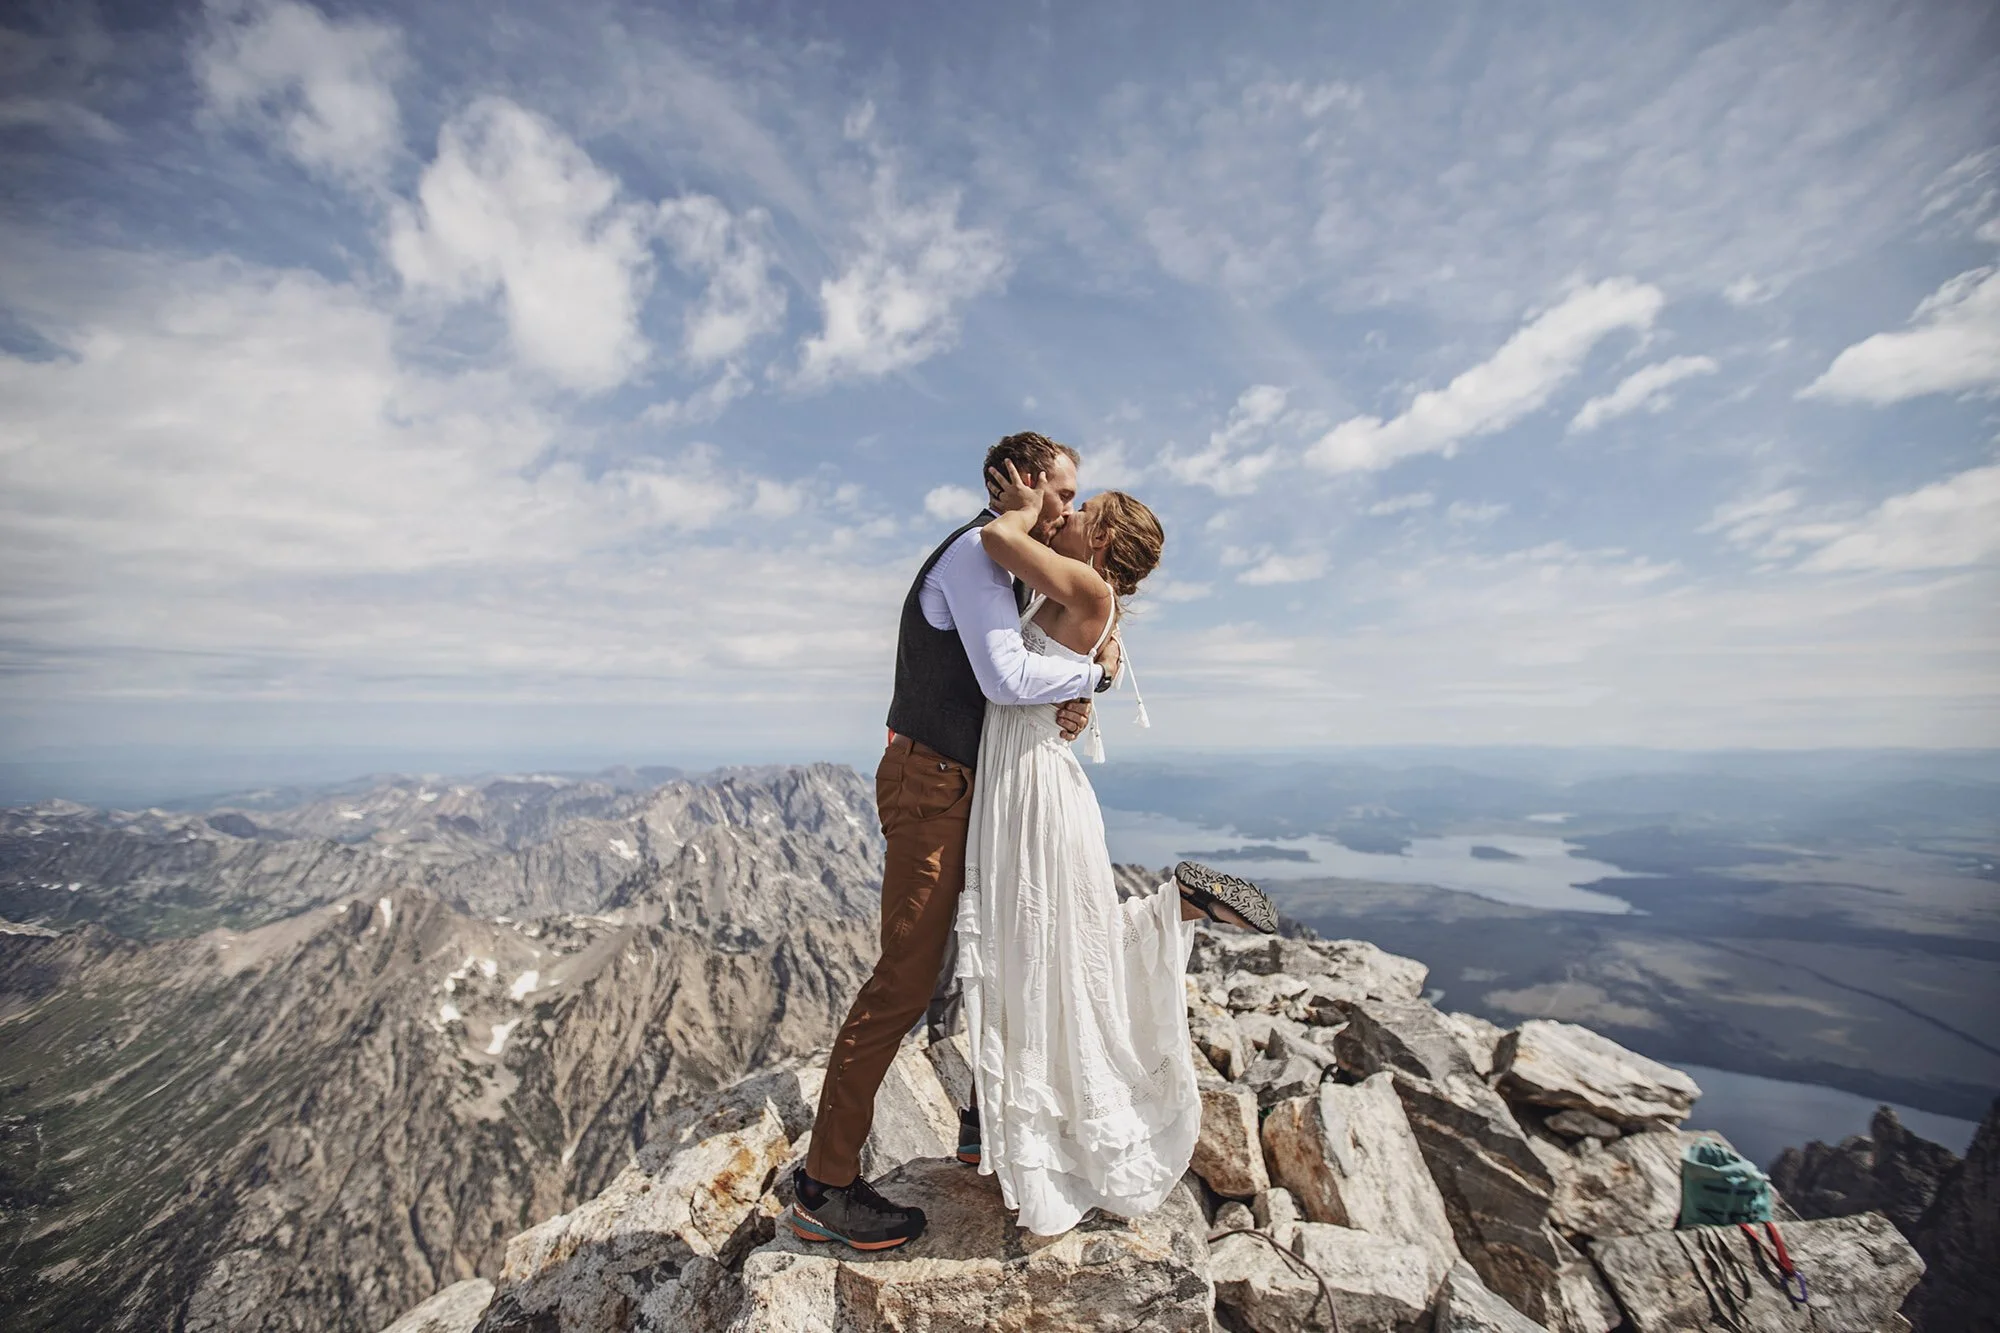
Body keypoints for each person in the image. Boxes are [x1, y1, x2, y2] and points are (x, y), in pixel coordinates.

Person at [786, 432, 1116, 1251]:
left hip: (969, 788)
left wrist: (1080, 685)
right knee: (904, 982)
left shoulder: (1012, 567)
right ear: (1024, 482)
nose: (1070, 509)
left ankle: (984, 1123)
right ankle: (824, 1186)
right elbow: (1005, 678)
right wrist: (1094, 677)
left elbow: (1028, 672)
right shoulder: (975, 555)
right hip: (932, 788)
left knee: (1004, 948)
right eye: (1063, 492)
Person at [953, 460, 1280, 1236]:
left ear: (1100, 541)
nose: (1065, 514)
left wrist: (1021, 503)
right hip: (1025, 777)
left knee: (1039, 948)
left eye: (1082, 510)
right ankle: (1177, 906)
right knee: (1050, 943)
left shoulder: (1088, 591)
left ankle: (1175, 908)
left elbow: (996, 541)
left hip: (1033, 787)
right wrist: (1092, 673)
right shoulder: (1080, 594)